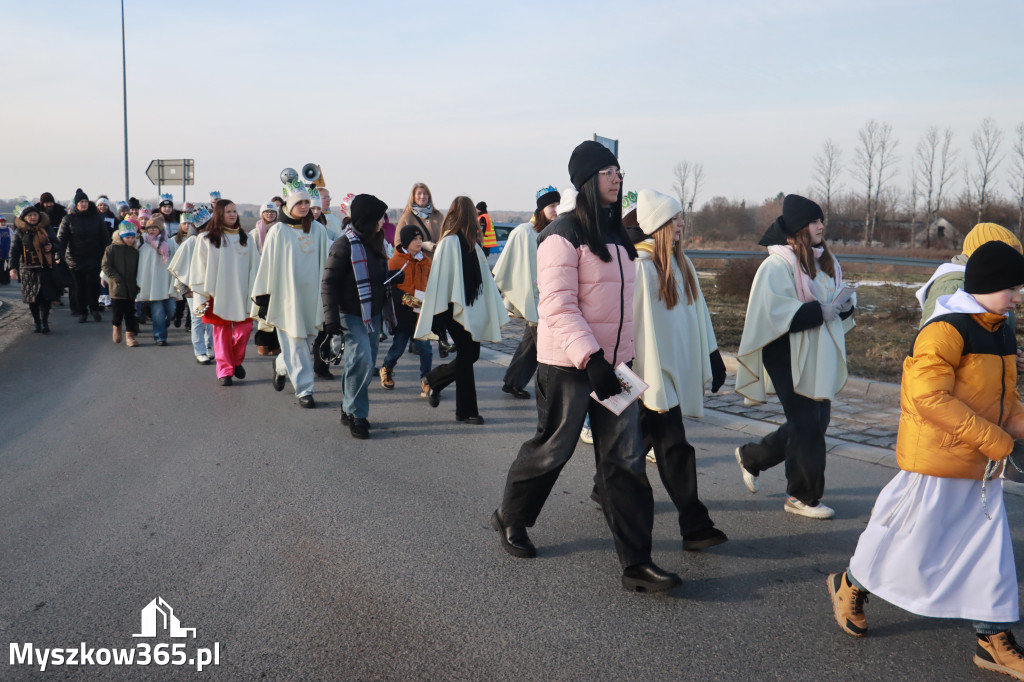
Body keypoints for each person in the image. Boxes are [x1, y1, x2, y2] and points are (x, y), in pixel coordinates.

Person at [828, 240, 1024, 681]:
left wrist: (1012, 433)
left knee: (989, 551)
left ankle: (993, 638)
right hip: (935, 461)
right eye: (1011, 288)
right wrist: (998, 442)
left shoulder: (1001, 330)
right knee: (904, 539)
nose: (1017, 297)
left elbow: (1006, 402)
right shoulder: (945, 330)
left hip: (981, 463)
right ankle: (850, 584)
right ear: (986, 285)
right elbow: (929, 397)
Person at [494, 141, 680, 593]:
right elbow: (557, 305)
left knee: (626, 459)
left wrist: (621, 358)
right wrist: (591, 358)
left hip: (615, 367)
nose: (617, 178)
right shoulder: (561, 233)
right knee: (553, 448)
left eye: (619, 171)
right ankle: (511, 517)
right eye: (608, 171)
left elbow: (624, 305)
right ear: (586, 180)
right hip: (568, 365)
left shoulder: (619, 233)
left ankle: (637, 563)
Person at [733, 194, 855, 519]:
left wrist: (844, 307)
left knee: (816, 421)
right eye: (814, 221)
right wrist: (818, 311)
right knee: (807, 424)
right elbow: (773, 312)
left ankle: (752, 457)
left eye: (821, 220)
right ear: (800, 227)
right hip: (785, 352)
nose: (821, 226)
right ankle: (801, 496)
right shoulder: (776, 265)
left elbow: (831, 305)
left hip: (817, 350)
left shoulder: (825, 261)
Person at [629, 188, 728, 550]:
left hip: (669, 373)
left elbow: (699, 316)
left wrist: (713, 356)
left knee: (637, 443)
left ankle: (602, 486)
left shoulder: (681, 265)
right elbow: (630, 327)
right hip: (648, 376)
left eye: (680, 216)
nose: (682, 223)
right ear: (658, 225)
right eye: (674, 218)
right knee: (674, 446)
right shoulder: (640, 269)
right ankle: (695, 525)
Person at [414, 196, 505, 424]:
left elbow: (483, 280)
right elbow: (442, 280)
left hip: (468, 308)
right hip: (452, 308)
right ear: (468, 216)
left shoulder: (472, 244)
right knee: (466, 354)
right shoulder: (449, 242)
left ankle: (433, 380)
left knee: (472, 354)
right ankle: (466, 411)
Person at [322, 194, 394, 437]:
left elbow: (377, 276)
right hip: (350, 313)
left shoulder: (377, 242)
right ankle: (357, 415)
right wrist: (331, 320)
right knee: (362, 360)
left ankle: (347, 406)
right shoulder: (343, 245)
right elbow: (328, 283)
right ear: (367, 219)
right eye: (380, 218)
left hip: (372, 313)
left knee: (361, 361)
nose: (383, 222)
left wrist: (393, 279)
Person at [252, 186, 330, 408]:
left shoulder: (318, 230)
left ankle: (280, 365)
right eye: (299, 203)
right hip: (287, 297)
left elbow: (326, 262)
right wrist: (264, 298)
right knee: (295, 343)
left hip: (311, 297)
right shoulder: (278, 231)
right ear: (289, 205)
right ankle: (305, 390)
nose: (304, 207)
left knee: (306, 342)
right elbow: (267, 265)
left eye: (307, 203)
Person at [493, 185, 560, 399]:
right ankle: (552, 393)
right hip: (534, 298)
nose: (556, 209)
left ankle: (513, 382)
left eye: (558, 205)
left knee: (531, 345)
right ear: (541, 209)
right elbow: (506, 265)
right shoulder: (523, 232)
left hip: (548, 296)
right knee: (549, 349)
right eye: (552, 205)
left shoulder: (554, 232)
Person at [188, 200, 259, 386]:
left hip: (242, 293)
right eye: (228, 211)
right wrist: (202, 293)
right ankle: (225, 371)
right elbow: (199, 268)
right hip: (216, 294)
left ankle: (235, 361)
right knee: (221, 334)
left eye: (234, 211)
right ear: (219, 214)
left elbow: (255, 266)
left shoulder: (246, 238)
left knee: (244, 331)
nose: (233, 214)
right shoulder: (206, 238)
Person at [379, 225, 433, 395]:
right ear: (406, 242)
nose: (419, 242)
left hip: (421, 313)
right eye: (415, 239)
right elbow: (388, 288)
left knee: (426, 349)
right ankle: (387, 368)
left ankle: (426, 380)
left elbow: (432, 283)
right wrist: (405, 298)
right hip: (403, 313)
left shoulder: (427, 261)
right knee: (398, 347)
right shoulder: (395, 262)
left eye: (420, 239)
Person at [168, 204, 215, 364]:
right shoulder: (190, 242)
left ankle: (210, 346)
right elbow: (179, 267)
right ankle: (200, 351)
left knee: (211, 320)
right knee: (197, 319)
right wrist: (184, 289)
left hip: (210, 287)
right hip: (193, 289)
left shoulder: (215, 241)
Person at [57, 188, 110, 322]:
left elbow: (105, 238)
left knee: (93, 286)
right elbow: (62, 239)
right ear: (76, 204)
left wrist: (109, 254)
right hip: (75, 259)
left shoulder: (96, 218)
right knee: (78, 287)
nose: (84, 204)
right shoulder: (68, 219)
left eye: (85, 201)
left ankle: (94, 309)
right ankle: (82, 312)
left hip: (94, 258)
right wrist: (58, 254)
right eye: (81, 202)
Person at [8, 202, 57, 333]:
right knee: (32, 298)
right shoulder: (20, 232)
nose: (33, 217)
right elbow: (14, 251)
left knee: (45, 297)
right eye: (30, 215)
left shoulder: (46, 228)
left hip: (45, 267)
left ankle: (45, 322)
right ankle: (37, 322)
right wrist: (13, 268)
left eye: (35, 215)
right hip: (28, 270)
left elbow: (57, 244)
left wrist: (52, 247)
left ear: (39, 216)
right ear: (24, 218)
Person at [136, 212, 177, 346]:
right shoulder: (143, 243)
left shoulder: (170, 243)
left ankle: (163, 325)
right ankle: (160, 337)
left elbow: (179, 260)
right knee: (157, 311)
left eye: (154, 227)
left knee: (171, 309)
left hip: (168, 282)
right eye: (149, 228)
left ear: (160, 228)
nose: (152, 230)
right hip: (153, 284)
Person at [101, 220, 141, 346]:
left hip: (131, 287)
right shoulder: (111, 249)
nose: (130, 240)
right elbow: (105, 265)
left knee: (130, 313)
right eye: (127, 237)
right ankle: (116, 328)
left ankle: (130, 336)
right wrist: (116, 278)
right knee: (117, 313)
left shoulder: (135, 251)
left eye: (132, 237)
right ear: (121, 237)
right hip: (117, 287)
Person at [0, 217, 11, 286]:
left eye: (4, 222)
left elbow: (13, 238)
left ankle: (6, 279)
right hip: (0, 250)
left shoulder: (8, 229)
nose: (3, 223)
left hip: (7, 250)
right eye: (1, 222)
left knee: (6, 265)